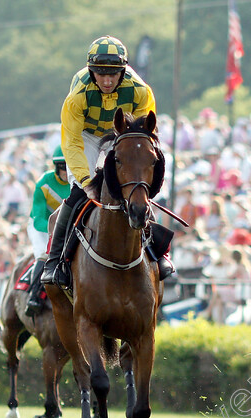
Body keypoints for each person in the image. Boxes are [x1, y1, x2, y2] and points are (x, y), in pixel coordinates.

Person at [42, 35, 167, 287]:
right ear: (91, 72)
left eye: (113, 74)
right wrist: (86, 181)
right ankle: (55, 261)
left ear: (123, 72)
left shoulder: (141, 91)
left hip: (121, 133)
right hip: (85, 136)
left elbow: (145, 134)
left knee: (136, 190)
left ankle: (158, 254)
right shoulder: (77, 96)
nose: (107, 81)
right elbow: (72, 142)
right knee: (80, 193)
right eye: (101, 74)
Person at [25, 147, 70, 315]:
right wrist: (56, 230)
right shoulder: (43, 182)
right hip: (42, 228)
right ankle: (34, 296)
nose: (67, 171)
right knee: (45, 254)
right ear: (56, 167)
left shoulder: (77, 182)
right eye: (62, 167)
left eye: (70, 166)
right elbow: (38, 219)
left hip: (65, 227)